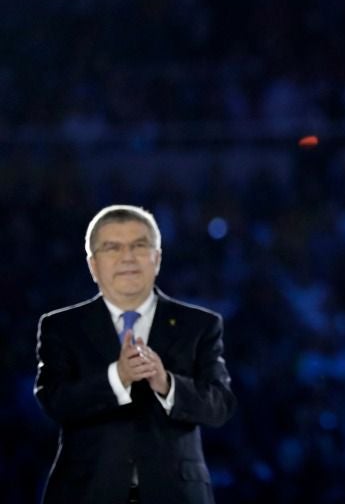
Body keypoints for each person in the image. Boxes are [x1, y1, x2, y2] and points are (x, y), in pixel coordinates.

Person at [34, 205, 236, 504]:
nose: (127, 257)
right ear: (92, 264)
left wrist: (167, 384)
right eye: (112, 247)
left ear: (158, 258)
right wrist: (118, 378)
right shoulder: (61, 327)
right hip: (86, 493)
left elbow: (219, 406)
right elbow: (55, 402)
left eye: (139, 246)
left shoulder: (200, 325)